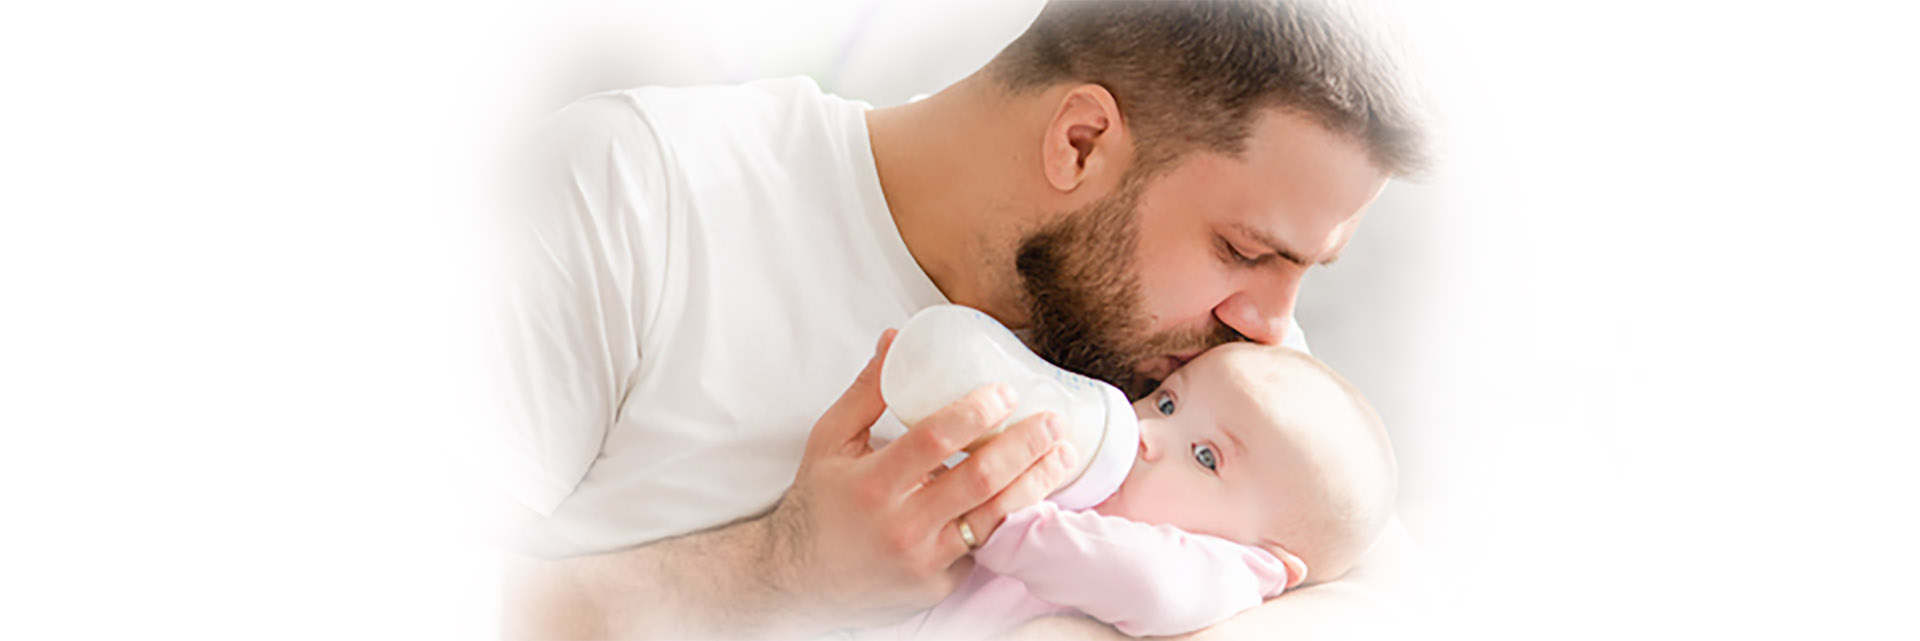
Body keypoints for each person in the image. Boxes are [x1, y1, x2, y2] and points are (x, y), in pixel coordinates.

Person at [491, 0, 1429, 638]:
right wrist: (780, 566)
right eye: (1246, 250)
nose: (1270, 327)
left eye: (1303, 270)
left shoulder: (1208, 365)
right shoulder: (631, 191)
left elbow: (1379, 593)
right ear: (1081, 142)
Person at [861, 342, 1398, 639]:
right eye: (1167, 402)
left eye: (1206, 457)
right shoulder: (1092, 487)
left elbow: (1145, 581)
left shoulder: (1223, 574)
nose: (1148, 434)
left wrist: (997, 518)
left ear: (1270, 561)